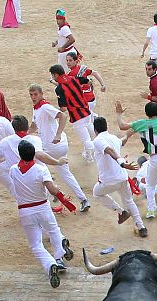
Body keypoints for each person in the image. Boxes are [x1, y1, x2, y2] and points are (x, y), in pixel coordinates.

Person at [9, 140, 72, 288]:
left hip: (25, 211)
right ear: (34, 154)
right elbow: (52, 190)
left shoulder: (12, 170)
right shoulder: (40, 169)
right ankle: (59, 255)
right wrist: (60, 194)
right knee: (54, 231)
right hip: (43, 207)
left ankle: (50, 264)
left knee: (36, 244)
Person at [28, 83, 90, 211]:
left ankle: (53, 189)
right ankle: (83, 199)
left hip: (53, 147)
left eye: (35, 94)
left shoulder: (45, 107)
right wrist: (24, 134)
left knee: (35, 165)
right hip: (58, 146)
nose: (33, 97)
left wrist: (58, 134)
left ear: (41, 94)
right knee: (65, 174)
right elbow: (34, 125)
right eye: (31, 95)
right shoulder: (37, 108)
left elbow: (63, 115)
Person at [91, 116, 147, 237]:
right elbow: (123, 141)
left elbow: (109, 150)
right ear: (106, 127)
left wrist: (121, 162)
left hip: (109, 180)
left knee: (96, 193)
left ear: (95, 130)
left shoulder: (97, 141)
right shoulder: (113, 138)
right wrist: (130, 133)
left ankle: (121, 211)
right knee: (129, 200)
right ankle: (141, 227)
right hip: (122, 178)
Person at [49, 63, 94, 162]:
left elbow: (63, 108)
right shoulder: (74, 78)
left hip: (77, 116)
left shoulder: (59, 89)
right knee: (91, 133)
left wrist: (54, 112)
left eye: (53, 75)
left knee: (86, 139)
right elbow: (88, 81)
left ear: (56, 75)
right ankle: (90, 153)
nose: (53, 77)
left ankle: (90, 158)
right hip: (87, 111)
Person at [66, 51, 105, 122]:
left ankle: (96, 119)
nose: (68, 62)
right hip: (92, 99)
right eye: (67, 60)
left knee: (86, 122)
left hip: (85, 102)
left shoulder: (71, 74)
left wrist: (52, 81)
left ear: (76, 61)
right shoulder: (82, 69)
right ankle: (94, 117)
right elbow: (95, 73)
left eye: (70, 60)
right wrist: (102, 85)